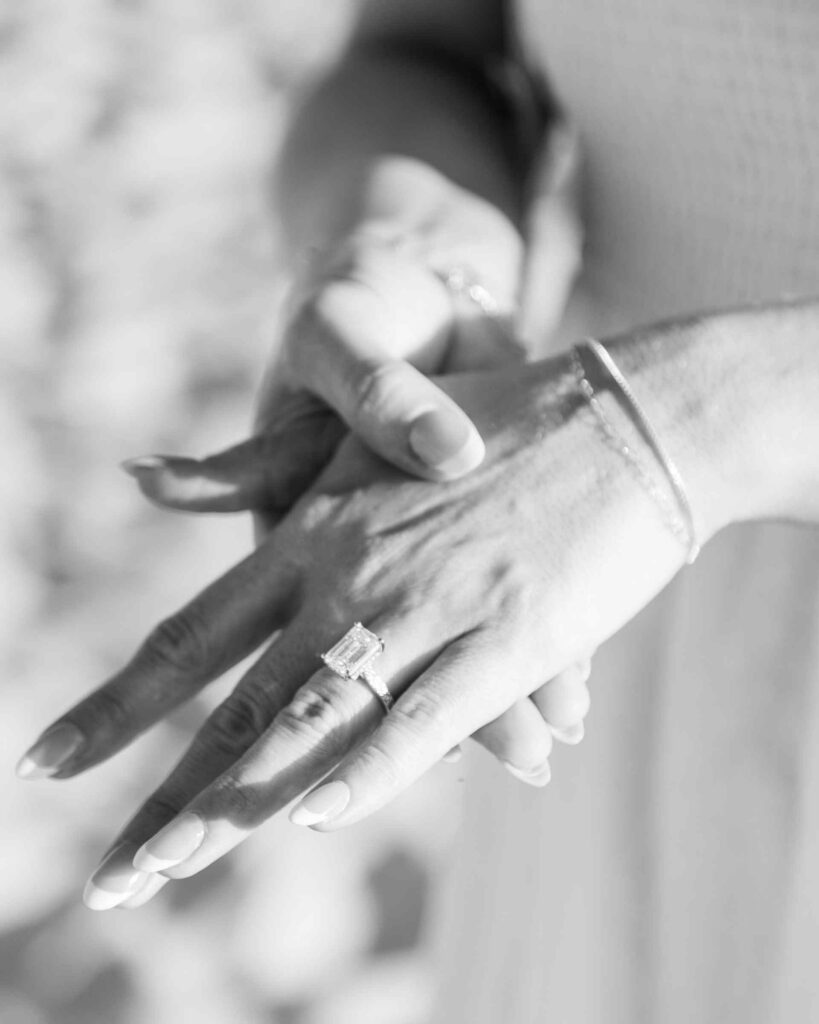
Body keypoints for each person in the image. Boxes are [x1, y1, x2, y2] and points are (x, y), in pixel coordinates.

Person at [17, 1, 819, 1021]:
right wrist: (418, 257)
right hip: (552, 554)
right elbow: (419, 51)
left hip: (614, 478)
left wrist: (677, 426)